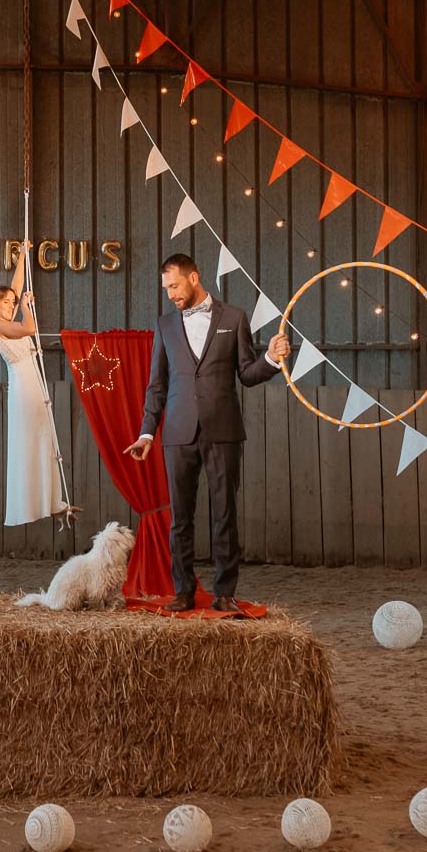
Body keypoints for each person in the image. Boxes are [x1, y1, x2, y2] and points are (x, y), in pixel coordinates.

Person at [123, 253, 289, 612]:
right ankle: (183, 591)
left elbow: (246, 373)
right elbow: (157, 385)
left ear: (194, 278)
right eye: (166, 288)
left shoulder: (234, 317)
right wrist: (147, 433)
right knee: (180, 518)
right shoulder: (165, 325)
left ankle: (224, 593)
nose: (170, 294)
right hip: (177, 433)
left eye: (175, 286)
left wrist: (272, 360)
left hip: (223, 430)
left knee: (224, 514)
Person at [0, 246, 75, 526]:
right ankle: (36, 503)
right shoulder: (0, 326)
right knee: (32, 442)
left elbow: (16, 284)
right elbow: (29, 329)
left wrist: (23, 254)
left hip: (32, 382)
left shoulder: (5, 318)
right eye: (6, 303)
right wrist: (25, 307)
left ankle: (52, 501)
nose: (10, 305)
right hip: (24, 387)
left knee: (43, 439)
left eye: (12, 303)